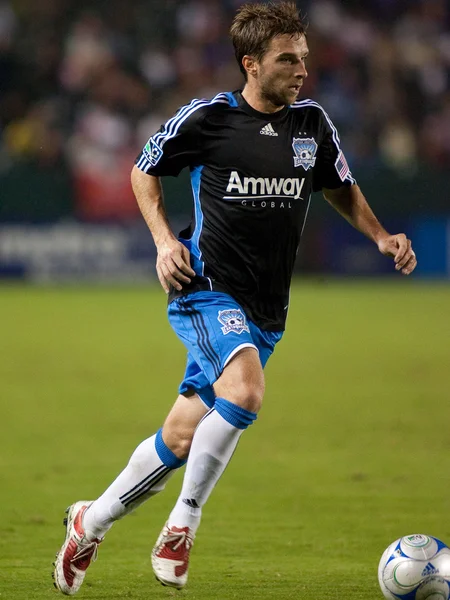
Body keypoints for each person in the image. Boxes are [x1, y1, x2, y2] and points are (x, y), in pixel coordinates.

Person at [52, 1, 417, 595]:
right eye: (287, 59)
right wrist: (165, 241)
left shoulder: (313, 125)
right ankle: (182, 526)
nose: (301, 69)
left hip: (267, 309)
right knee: (245, 391)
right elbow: (145, 170)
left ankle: (87, 524)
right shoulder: (208, 118)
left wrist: (380, 236)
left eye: (304, 58)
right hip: (205, 288)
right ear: (251, 63)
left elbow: (339, 186)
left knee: (179, 436)